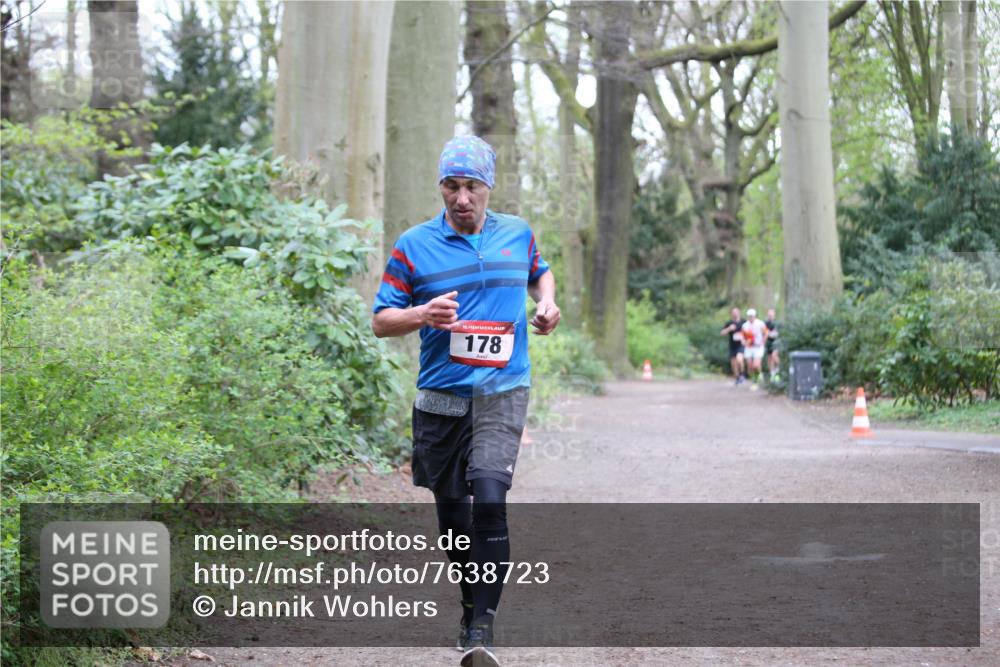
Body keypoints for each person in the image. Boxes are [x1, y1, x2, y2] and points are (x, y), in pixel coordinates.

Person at [371, 135, 559, 667]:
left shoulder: (517, 234)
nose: (462, 198)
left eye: (472, 186)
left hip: (502, 392)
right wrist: (422, 315)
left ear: (487, 188)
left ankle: (482, 632)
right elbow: (382, 320)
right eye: (452, 186)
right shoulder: (413, 245)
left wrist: (546, 304)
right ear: (441, 188)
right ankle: (469, 604)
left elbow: (538, 273)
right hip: (441, 399)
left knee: (491, 498)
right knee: (454, 520)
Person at [740, 308, 769, 390]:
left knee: (755, 365)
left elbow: (766, 332)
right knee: (750, 366)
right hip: (749, 348)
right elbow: (743, 336)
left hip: (758, 347)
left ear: (755, 316)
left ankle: (755, 382)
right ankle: (759, 375)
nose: (751, 318)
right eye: (749, 316)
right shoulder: (745, 325)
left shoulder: (760, 323)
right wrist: (744, 341)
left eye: (752, 316)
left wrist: (762, 341)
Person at [720, 307, 746, 385]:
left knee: (739, 359)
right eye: (733, 312)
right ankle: (737, 377)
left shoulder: (744, 322)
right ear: (731, 314)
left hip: (741, 345)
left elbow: (750, 332)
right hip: (732, 346)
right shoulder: (729, 323)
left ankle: (742, 374)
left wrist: (746, 339)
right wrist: (729, 329)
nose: (735, 314)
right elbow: (722, 333)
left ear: (739, 313)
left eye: (736, 312)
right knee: (733, 364)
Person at [764, 308, 780, 383]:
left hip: (776, 343)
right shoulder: (765, 323)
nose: (770, 315)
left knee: (774, 356)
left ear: (774, 314)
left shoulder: (778, 323)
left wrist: (774, 334)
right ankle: (772, 374)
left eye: (772, 313)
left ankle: (779, 369)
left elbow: (780, 333)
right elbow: (764, 333)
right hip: (768, 343)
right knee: (770, 358)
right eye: (769, 314)